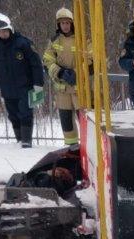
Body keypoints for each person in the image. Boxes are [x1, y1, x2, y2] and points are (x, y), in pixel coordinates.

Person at [0, 13, 43, 148]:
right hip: (7, 88)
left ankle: (26, 142)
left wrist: (38, 84)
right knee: (13, 115)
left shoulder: (23, 43)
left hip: (25, 86)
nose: (3, 34)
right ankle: (19, 140)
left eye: (5, 31)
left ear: (10, 29)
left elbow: (36, 64)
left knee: (25, 113)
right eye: (0, 32)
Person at [42, 7, 83, 146]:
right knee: (66, 123)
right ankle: (71, 149)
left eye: (67, 22)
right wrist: (60, 72)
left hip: (79, 90)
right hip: (62, 90)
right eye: (62, 23)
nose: (65, 26)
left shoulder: (81, 39)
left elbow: (90, 60)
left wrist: (77, 73)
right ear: (58, 25)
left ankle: (87, 148)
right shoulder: (54, 41)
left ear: (72, 23)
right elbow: (47, 60)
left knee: (84, 121)